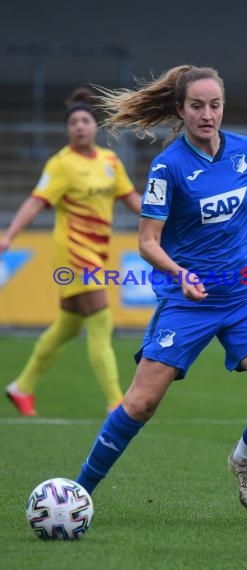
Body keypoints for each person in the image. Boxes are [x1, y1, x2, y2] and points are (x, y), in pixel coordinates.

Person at [74, 66, 247, 512]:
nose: (207, 114)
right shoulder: (168, 167)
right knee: (142, 402)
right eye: (197, 106)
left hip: (246, 294)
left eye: (215, 105)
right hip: (189, 302)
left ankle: (242, 460)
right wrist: (181, 274)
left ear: (223, 106)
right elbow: (147, 242)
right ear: (180, 110)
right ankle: (78, 495)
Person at [1, 86, 141, 417]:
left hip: (97, 251)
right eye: (73, 122)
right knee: (101, 322)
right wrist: (9, 235)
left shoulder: (110, 161)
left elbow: (132, 199)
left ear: (95, 126)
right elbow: (36, 202)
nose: (79, 126)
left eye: (85, 121)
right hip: (74, 253)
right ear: (68, 130)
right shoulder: (61, 164)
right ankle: (115, 403)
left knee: (67, 325)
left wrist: (165, 222)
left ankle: (22, 386)